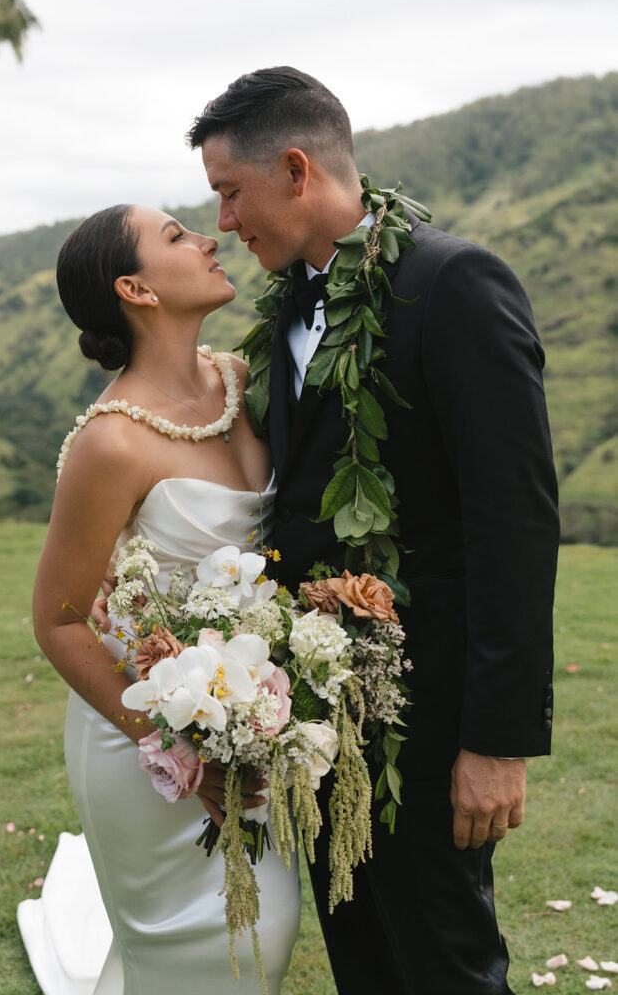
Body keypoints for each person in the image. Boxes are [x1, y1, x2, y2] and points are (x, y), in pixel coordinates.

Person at [184, 67, 560, 994]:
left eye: (231, 193)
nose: (225, 222)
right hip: (324, 712)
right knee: (365, 961)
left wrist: (496, 741)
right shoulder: (281, 311)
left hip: (426, 714)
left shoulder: (452, 283)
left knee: (444, 962)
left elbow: (514, 521)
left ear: (298, 169)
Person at [30, 204, 301, 995]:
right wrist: (173, 746)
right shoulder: (111, 443)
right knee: (195, 959)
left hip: (250, 720)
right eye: (177, 236)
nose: (208, 239)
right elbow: (58, 620)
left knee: (268, 935)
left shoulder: (245, 381)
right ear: (135, 288)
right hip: (142, 741)